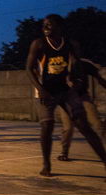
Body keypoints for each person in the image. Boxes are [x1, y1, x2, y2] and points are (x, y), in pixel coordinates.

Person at [26, 14, 106, 177]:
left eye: (49, 24)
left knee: (84, 126)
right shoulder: (39, 44)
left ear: (59, 27)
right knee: (47, 126)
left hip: (65, 89)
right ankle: (46, 165)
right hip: (45, 91)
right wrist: (40, 89)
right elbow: (28, 68)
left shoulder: (70, 44)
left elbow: (77, 65)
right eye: (44, 25)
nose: (45, 27)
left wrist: (76, 79)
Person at [56, 58, 106, 161]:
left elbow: (99, 78)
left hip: (83, 97)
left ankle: (103, 152)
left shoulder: (84, 63)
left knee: (97, 124)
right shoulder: (60, 64)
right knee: (68, 128)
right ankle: (64, 152)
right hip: (67, 100)